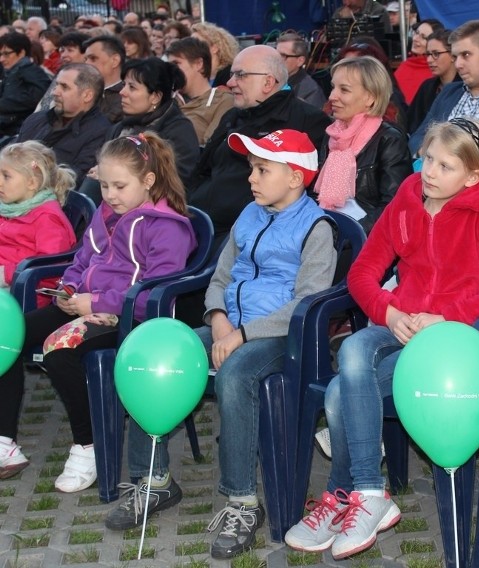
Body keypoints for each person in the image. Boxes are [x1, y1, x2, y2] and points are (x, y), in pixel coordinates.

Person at [284, 117, 479, 559]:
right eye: (429, 159)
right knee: (356, 348)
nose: (430, 172)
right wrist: (389, 310)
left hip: (449, 339)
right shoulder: (408, 195)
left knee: (342, 394)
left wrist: (444, 317)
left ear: (473, 176)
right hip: (400, 321)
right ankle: (369, 491)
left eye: (445, 166)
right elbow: (362, 273)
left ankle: (345, 493)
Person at [104, 128, 336, 559]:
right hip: (230, 325)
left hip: (282, 336)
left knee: (235, 374)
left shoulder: (316, 228)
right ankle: (152, 481)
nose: (251, 177)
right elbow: (220, 277)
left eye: (262, 169)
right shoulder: (250, 214)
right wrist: (218, 318)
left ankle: (242, 502)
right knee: (154, 355)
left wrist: (243, 334)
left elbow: (309, 301)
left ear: (296, 177)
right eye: (252, 167)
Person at [0, 131, 196, 489]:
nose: (109, 196)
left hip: (132, 318)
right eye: (104, 186)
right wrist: (69, 288)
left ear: (148, 181)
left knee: (60, 352)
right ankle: (5, 441)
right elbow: (82, 259)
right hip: (86, 305)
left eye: (119, 187)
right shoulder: (106, 213)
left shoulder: (168, 227)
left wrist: (99, 301)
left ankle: (88, 446)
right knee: (8, 338)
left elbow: (156, 290)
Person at [188, 45, 330, 250]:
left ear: (268, 82)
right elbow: (201, 171)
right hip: (200, 225)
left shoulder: (308, 122)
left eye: (240, 75)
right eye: (231, 74)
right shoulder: (233, 116)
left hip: (248, 239)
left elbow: (302, 193)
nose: (229, 83)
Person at [313, 56, 411, 234]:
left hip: (366, 237)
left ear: (370, 98)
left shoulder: (389, 139)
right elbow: (314, 194)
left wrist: (348, 234)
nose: (332, 96)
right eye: (333, 87)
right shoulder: (332, 135)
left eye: (344, 90)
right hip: (328, 229)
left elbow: (394, 206)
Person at [81, 57, 199, 204]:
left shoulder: (178, 131)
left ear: (155, 97)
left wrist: (109, 175)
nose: (122, 92)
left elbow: (173, 185)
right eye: (124, 85)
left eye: (132, 87)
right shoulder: (119, 128)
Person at [409, 20, 479, 155]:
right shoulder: (449, 92)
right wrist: (431, 156)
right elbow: (417, 138)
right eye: (456, 57)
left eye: (466, 55)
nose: (458, 64)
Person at [0, 141, 76, 299]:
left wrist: (5, 274)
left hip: (22, 289)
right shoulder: (10, 205)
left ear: (32, 183)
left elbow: (49, 269)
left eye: (6, 176)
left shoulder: (47, 219)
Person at [18, 63, 112, 188]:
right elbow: (14, 155)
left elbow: (76, 179)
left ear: (87, 95)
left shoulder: (101, 132)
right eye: (56, 85)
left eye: (64, 87)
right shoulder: (36, 119)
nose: (55, 92)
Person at [166, 37, 234, 147]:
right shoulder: (169, 101)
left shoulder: (223, 100)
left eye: (176, 64)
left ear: (199, 64)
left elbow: (210, 145)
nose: (170, 70)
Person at [407, 29, 460, 136]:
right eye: (428, 54)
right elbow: (412, 124)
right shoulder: (427, 87)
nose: (429, 60)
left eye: (436, 54)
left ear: (453, 55)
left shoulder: (463, 88)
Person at [0, 32, 51, 137]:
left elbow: (40, 98)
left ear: (21, 53)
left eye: (6, 54)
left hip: (17, 132)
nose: (1, 59)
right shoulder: (12, 72)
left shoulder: (30, 71)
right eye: (0, 54)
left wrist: (5, 104)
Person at [394, 19, 444, 105]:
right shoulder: (406, 65)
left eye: (423, 37)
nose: (416, 39)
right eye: (416, 33)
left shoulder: (436, 70)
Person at [276, 32, 326, 109]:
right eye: (276, 54)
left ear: (300, 61)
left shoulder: (311, 91)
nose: (277, 60)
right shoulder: (271, 80)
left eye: (283, 56)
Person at [83, 35, 126, 124]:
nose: (86, 64)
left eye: (93, 58)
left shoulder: (126, 97)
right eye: (86, 59)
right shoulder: (82, 92)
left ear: (115, 60)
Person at [190, 22, 239, 88]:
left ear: (214, 48)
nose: (191, 48)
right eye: (190, 44)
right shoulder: (198, 76)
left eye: (197, 43)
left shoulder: (228, 75)